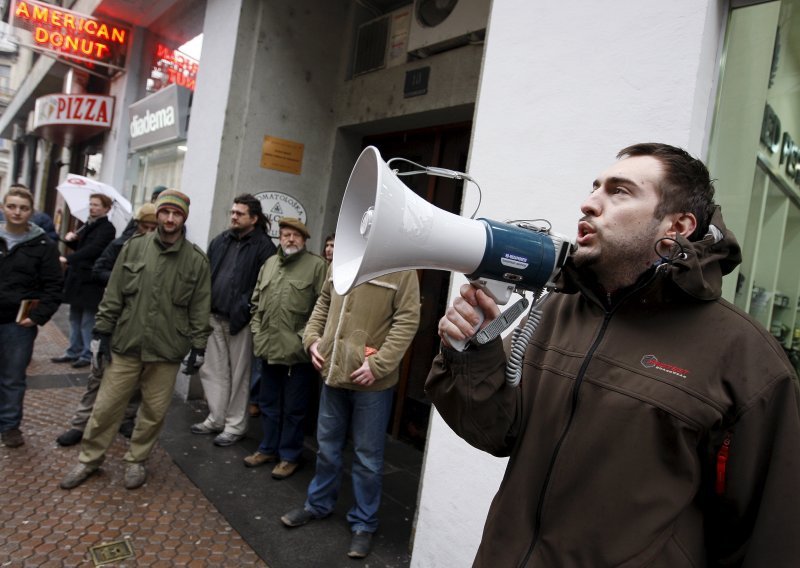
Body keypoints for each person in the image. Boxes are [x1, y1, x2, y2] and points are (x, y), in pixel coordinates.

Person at [427, 143, 800, 566]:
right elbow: (496, 432)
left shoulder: (747, 358)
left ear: (677, 225)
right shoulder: (555, 310)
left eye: (619, 191)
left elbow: (769, 535)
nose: (589, 203)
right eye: (594, 188)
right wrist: (474, 351)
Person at [59, 189, 212, 491]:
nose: (170, 218)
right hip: (127, 343)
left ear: (184, 218)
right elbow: (114, 294)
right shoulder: (134, 248)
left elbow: (199, 306)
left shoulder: (196, 261)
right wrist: (101, 333)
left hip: (166, 350)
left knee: (153, 413)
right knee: (105, 407)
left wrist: (199, 346)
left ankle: (136, 460)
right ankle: (89, 460)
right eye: (165, 212)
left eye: (176, 213)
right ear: (157, 214)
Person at [280, 269, 420, 559]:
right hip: (332, 373)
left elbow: (407, 320)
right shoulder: (343, 258)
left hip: (372, 381)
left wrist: (379, 365)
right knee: (327, 448)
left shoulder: (403, 269)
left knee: (368, 457)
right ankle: (318, 504)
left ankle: (364, 523)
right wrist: (312, 339)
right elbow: (323, 303)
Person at [55, 203, 158, 447]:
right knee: (97, 374)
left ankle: (127, 419)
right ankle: (80, 424)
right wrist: (123, 278)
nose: (150, 231)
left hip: (142, 325)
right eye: (146, 226)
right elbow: (98, 269)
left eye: (155, 227)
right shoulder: (120, 244)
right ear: (137, 224)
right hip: (113, 320)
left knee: (137, 381)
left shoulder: (164, 251)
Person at [190, 194, 277, 446]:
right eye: (232, 212)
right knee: (213, 371)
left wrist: (246, 307)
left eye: (239, 213)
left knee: (240, 376)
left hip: (241, 321)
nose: (233, 217)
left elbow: (265, 287)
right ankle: (216, 418)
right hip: (214, 316)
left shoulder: (264, 247)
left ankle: (235, 426)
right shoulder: (220, 241)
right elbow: (207, 275)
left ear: (254, 218)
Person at [246, 217, 327, 479]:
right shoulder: (269, 264)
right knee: (268, 404)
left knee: (294, 409)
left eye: (296, 235)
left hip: (298, 355)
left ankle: (290, 456)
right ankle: (268, 448)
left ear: (304, 240)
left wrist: (304, 339)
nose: (290, 239)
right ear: (279, 238)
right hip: (268, 349)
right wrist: (258, 334)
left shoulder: (316, 267)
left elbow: (323, 309)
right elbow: (256, 303)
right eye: (285, 234)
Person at [0, 187, 63, 447]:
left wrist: (38, 316)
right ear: (3, 207)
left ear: (31, 212)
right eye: (12, 206)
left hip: (19, 323)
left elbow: (54, 286)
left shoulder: (43, 245)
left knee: (13, 376)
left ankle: (10, 425)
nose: (17, 212)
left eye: (23, 208)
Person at [51, 193, 116, 368]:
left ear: (106, 208)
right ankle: (74, 350)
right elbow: (83, 248)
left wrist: (69, 259)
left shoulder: (107, 228)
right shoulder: (88, 225)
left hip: (90, 279)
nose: (92, 207)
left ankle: (87, 354)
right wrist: (70, 241)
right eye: (91, 204)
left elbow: (94, 250)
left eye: (96, 205)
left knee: (88, 319)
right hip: (78, 277)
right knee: (74, 316)